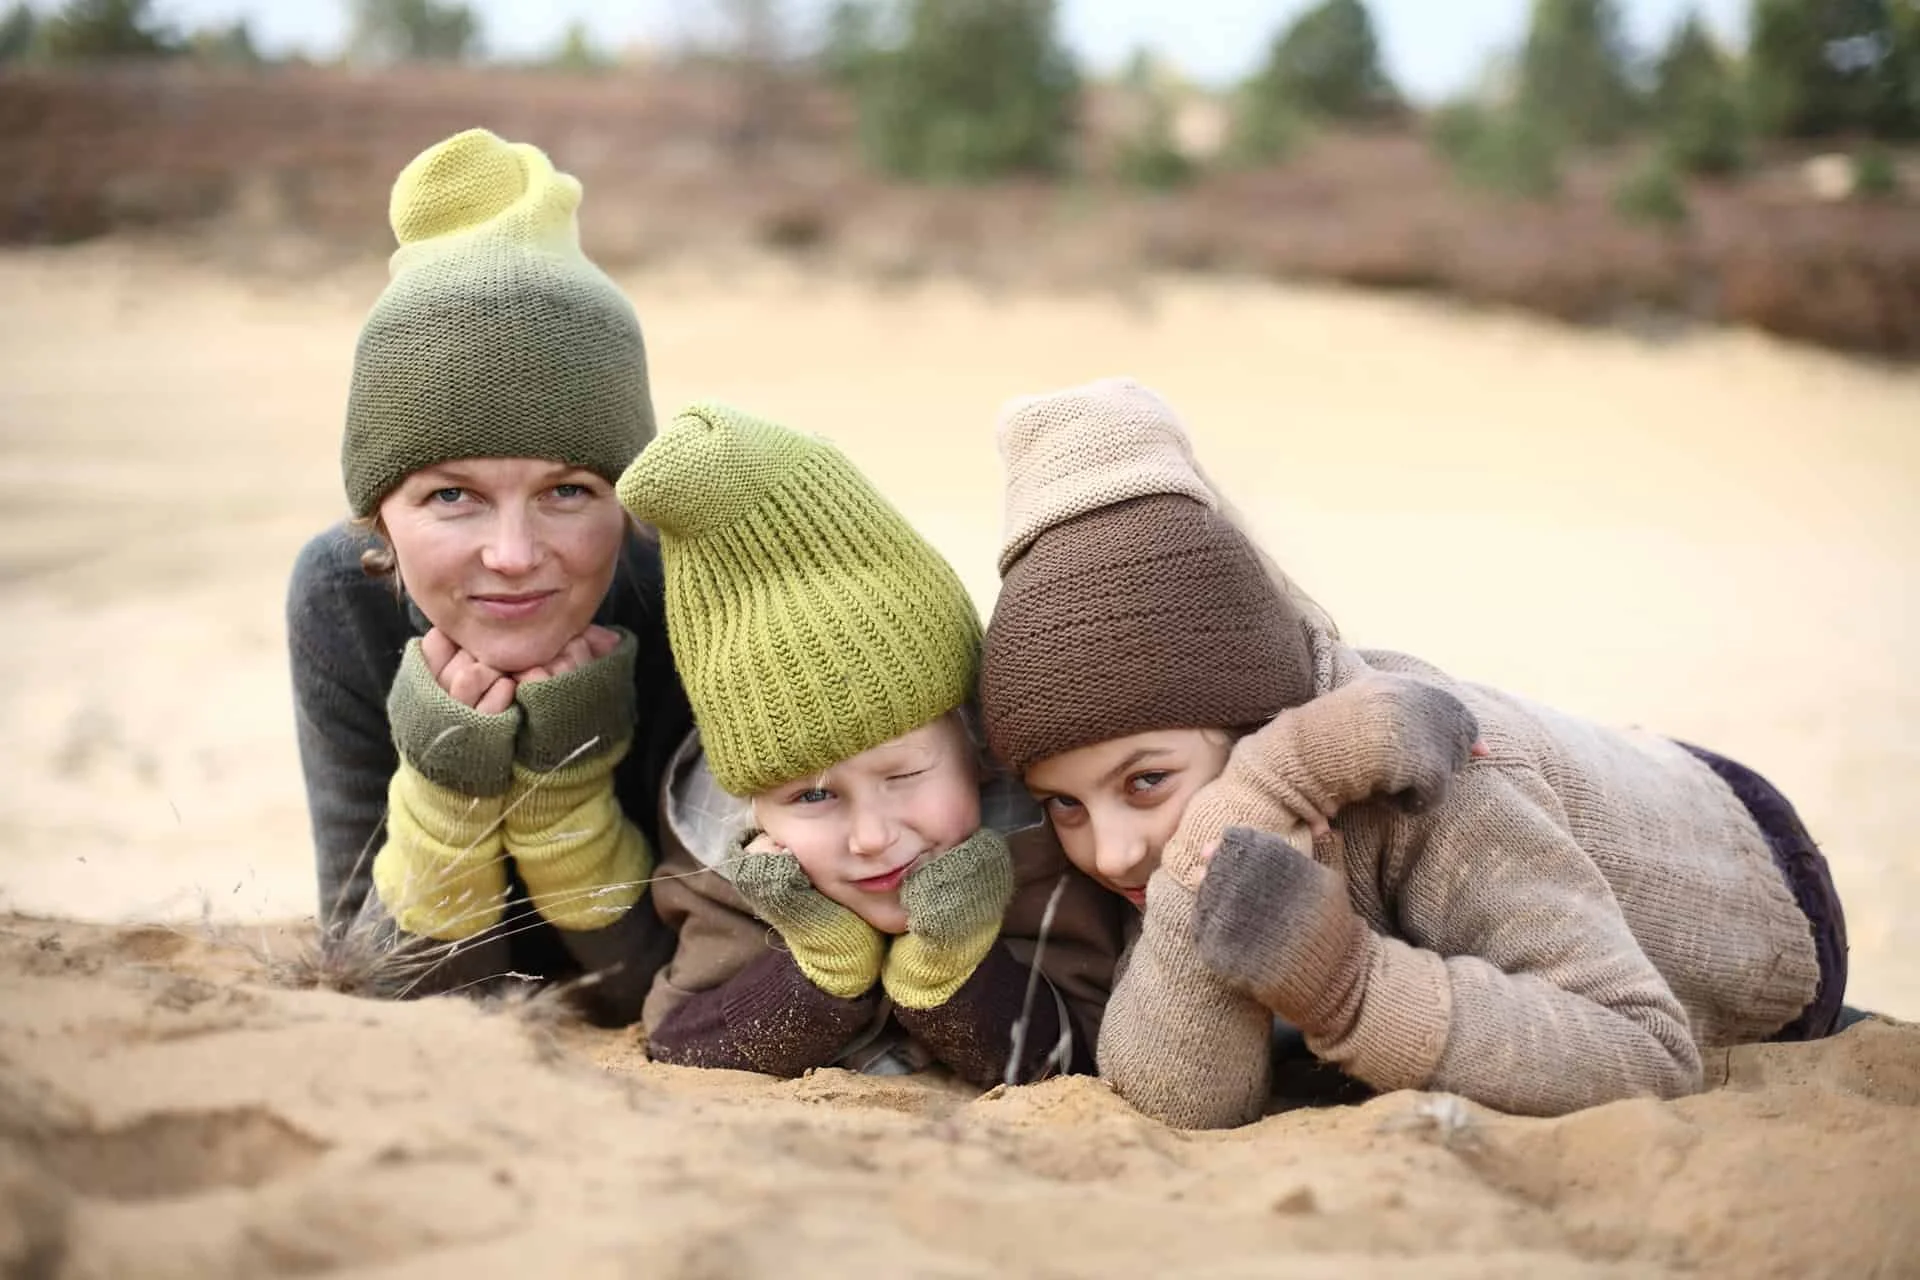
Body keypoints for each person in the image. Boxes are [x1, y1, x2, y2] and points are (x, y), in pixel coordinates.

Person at [977, 377, 1849, 1128]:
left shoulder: (1445, 795)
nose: (1116, 848)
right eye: (1068, 804)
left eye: (1145, 781)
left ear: (1255, 713)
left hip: (1747, 865)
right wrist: (1247, 801)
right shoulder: (1185, 808)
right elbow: (1176, 1100)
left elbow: (1646, 1054)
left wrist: (1348, 990)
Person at [286, 128, 691, 1023]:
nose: (512, 554)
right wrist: (447, 803)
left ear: (629, 499)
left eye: (569, 490)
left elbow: (681, 995)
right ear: (377, 513)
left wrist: (567, 815)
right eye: (453, 496)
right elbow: (380, 986)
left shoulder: (680, 593)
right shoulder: (342, 594)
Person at [615, 403, 1130, 1086]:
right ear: (755, 802)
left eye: (904, 775)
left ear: (973, 745)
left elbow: (1085, 1055)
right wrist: (822, 965)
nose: (870, 836)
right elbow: (679, 1045)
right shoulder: (735, 858)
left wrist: (955, 968)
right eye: (813, 795)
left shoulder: (1037, 838)